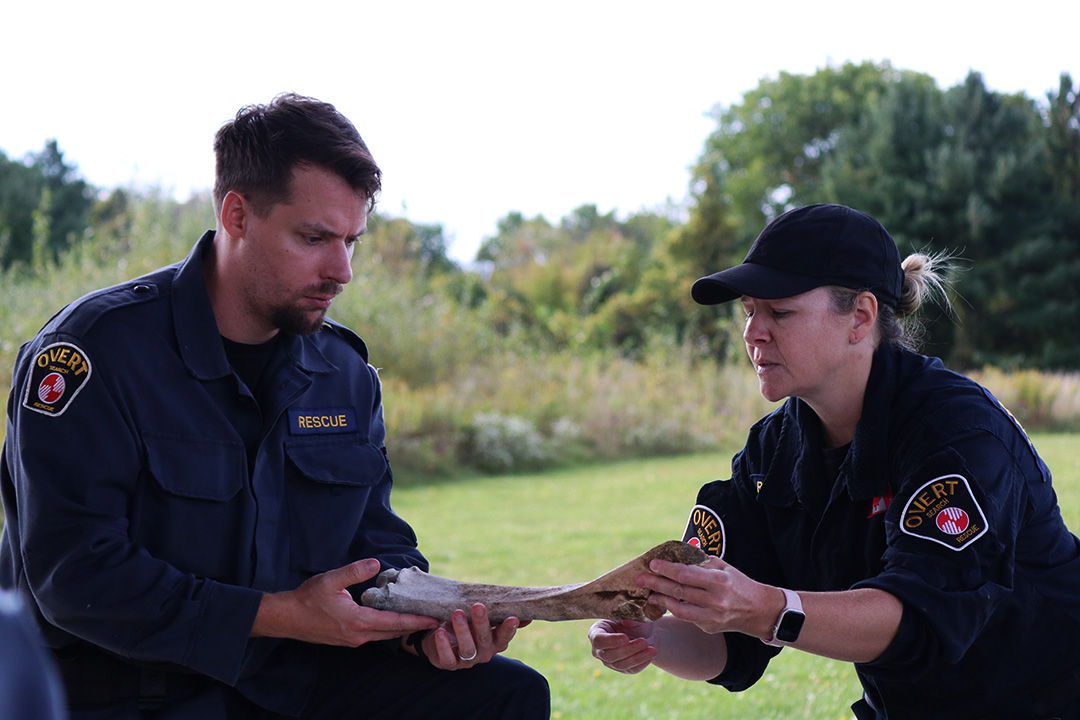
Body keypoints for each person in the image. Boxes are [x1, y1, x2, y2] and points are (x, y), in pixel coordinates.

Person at [0, 93, 549, 719]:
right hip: (127, 688)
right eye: (314, 237)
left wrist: (425, 631)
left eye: (352, 240)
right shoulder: (96, 352)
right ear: (238, 215)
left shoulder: (343, 373)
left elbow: (376, 548)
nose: (341, 270)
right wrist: (279, 615)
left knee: (505, 694)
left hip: (290, 680)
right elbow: (75, 576)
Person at [587, 204, 1080, 719]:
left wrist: (769, 608)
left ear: (861, 317)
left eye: (780, 312)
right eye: (749, 310)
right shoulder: (772, 450)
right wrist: (652, 637)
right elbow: (728, 643)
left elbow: (920, 618)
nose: (754, 332)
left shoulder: (956, 431)